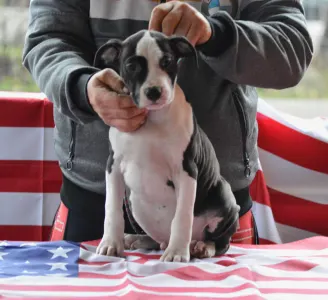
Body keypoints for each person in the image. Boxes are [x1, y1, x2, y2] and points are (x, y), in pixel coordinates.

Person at [22, 0, 313, 245]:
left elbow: (292, 45)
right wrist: (81, 87)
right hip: (96, 201)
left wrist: (218, 35)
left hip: (211, 207)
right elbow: (48, 40)